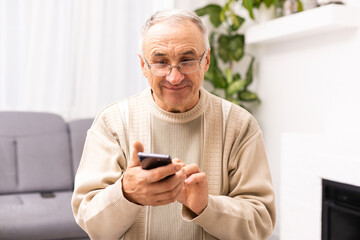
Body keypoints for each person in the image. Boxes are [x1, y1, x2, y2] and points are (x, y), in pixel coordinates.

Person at [71, 8, 276, 240]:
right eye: (160, 62)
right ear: (143, 66)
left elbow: (261, 223)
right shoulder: (112, 123)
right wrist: (126, 194)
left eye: (187, 60)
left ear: (206, 60)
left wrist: (206, 206)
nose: (174, 77)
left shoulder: (239, 125)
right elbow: (91, 224)